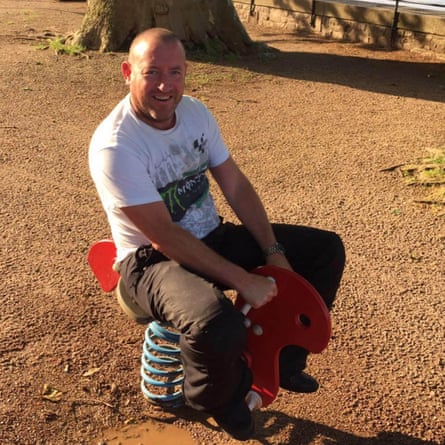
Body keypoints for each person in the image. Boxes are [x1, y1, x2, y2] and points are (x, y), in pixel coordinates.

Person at [89, 27, 345, 441]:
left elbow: (236, 185)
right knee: (216, 323)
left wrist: (273, 250)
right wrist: (243, 280)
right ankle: (217, 401)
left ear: (186, 72)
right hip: (150, 263)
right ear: (127, 72)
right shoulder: (115, 146)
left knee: (324, 250)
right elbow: (163, 236)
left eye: (174, 72)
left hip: (212, 235)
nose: (164, 85)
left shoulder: (195, 113)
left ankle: (285, 362)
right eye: (152, 72)